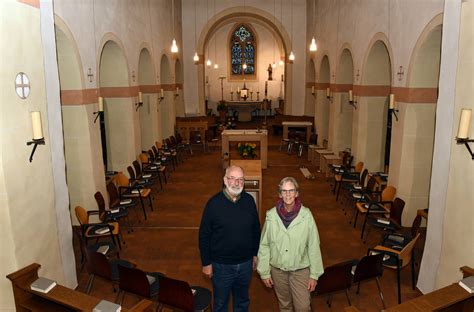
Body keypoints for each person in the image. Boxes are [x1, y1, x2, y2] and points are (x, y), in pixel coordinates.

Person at [199, 165, 261, 312]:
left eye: (240, 179)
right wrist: (206, 263)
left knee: (242, 302)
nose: (236, 183)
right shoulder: (213, 204)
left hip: (245, 264)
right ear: (225, 180)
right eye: (232, 178)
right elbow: (204, 235)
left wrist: (255, 254)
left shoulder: (249, 201)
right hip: (221, 266)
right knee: (220, 304)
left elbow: (255, 229)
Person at [257, 177, 324, 312]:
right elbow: (264, 245)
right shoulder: (271, 216)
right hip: (278, 270)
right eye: (284, 191)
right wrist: (264, 272)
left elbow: (313, 245)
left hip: (300, 270)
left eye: (291, 190)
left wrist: (314, 274)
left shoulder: (306, 216)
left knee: (303, 307)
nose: (288, 194)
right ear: (280, 194)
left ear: (296, 193)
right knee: (285, 305)